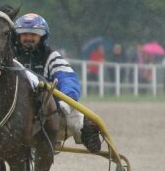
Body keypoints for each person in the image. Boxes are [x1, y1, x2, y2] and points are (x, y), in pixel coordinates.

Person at [13, 13, 102, 152]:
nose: (28, 38)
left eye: (33, 34)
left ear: (42, 37)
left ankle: (86, 132)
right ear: (17, 36)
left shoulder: (50, 56)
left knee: (73, 111)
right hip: (14, 109)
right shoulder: (9, 57)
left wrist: (67, 99)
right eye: (24, 34)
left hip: (45, 111)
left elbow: (67, 78)